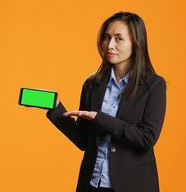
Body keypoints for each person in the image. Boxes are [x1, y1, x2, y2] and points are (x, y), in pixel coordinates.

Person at [46, 11, 166, 192]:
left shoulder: (154, 85)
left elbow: (146, 138)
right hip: (92, 184)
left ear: (136, 42)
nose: (110, 45)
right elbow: (83, 141)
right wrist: (55, 108)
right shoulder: (92, 84)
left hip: (132, 185)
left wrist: (99, 118)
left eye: (119, 39)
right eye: (106, 38)